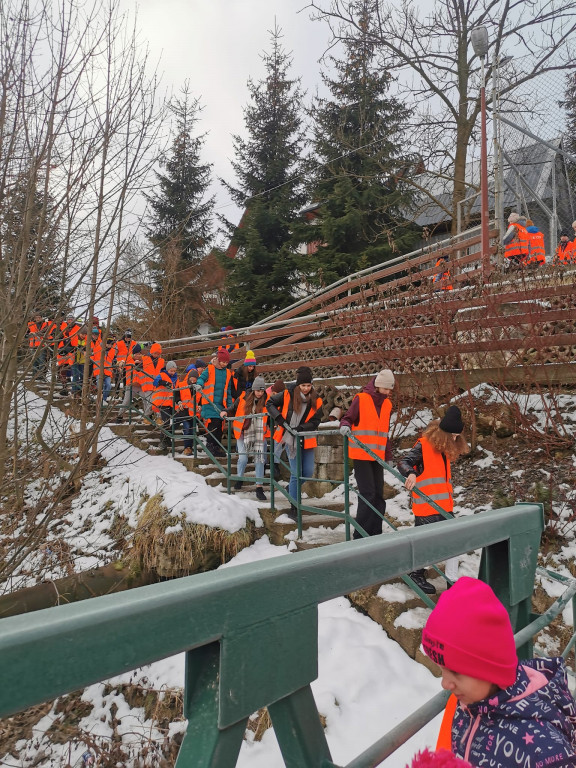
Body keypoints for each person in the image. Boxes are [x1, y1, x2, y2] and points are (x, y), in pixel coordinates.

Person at [422, 577, 576, 768]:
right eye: (441, 669)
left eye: (456, 672)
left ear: (490, 669)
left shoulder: (544, 752)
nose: (445, 683)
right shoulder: (470, 703)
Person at [397, 405, 469, 594]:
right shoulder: (424, 444)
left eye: (457, 436)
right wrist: (411, 473)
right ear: (444, 433)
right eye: (452, 436)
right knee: (427, 544)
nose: (455, 439)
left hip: (444, 505)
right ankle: (416, 573)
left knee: (455, 542)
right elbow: (403, 462)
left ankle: (451, 581)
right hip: (426, 505)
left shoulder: (445, 447)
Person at [340, 369, 395, 539]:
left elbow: (384, 433)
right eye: (386, 389)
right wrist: (344, 425)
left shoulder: (387, 404)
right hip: (361, 454)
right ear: (378, 386)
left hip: (377, 456)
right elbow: (348, 418)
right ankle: (360, 534)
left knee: (379, 494)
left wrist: (388, 455)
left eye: (390, 389)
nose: (388, 392)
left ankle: (375, 532)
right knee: (368, 493)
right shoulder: (361, 399)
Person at [266, 366, 323, 521]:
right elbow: (269, 403)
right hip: (291, 439)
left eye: (308, 385)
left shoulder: (316, 400)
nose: (305, 388)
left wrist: (301, 428)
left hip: (307, 437)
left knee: (308, 472)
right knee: (296, 474)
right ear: (298, 385)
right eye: (303, 385)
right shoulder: (287, 394)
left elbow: (316, 420)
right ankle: (294, 508)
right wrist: (280, 420)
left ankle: (291, 488)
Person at [228, 375, 269, 502]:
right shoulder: (243, 398)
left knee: (259, 460)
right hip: (243, 433)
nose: (260, 393)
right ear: (253, 390)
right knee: (243, 458)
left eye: (262, 391)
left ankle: (259, 487)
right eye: (258, 391)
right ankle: (240, 478)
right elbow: (232, 409)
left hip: (259, 434)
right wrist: (224, 411)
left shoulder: (268, 401)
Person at [196, 348, 234, 457]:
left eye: (227, 362)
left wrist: (229, 403)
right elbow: (202, 377)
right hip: (210, 403)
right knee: (214, 425)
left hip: (221, 404)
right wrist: (199, 384)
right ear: (218, 360)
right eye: (223, 362)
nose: (225, 364)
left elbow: (229, 389)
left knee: (219, 428)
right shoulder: (210, 368)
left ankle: (216, 447)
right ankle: (210, 445)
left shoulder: (227, 373)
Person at [151, 361, 179, 450]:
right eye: (171, 371)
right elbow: (155, 382)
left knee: (176, 421)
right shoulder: (162, 375)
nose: (173, 372)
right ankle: (163, 440)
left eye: (174, 371)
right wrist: (162, 382)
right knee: (166, 421)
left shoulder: (176, 378)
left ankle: (167, 438)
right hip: (162, 402)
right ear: (167, 369)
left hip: (171, 403)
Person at [114, 344, 147, 422]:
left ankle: (148, 417)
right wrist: (120, 364)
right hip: (131, 385)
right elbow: (120, 363)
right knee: (126, 402)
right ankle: (119, 416)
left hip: (141, 385)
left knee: (146, 401)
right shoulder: (129, 359)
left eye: (139, 353)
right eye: (136, 354)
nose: (138, 355)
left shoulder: (145, 360)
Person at [174, 365, 200, 456]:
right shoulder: (181, 385)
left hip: (194, 413)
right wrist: (179, 402)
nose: (192, 381)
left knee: (192, 430)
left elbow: (200, 400)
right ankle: (187, 447)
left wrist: (200, 406)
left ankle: (189, 447)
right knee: (187, 428)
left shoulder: (198, 388)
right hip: (184, 412)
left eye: (194, 379)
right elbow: (176, 396)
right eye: (191, 379)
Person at [266, 379, 286, 479]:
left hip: (277, 426)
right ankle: (273, 465)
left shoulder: (282, 399)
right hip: (269, 426)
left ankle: (274, 464)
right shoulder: (268, 398)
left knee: (278, 443)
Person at [141, 342, 165, 418]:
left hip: (156, 385)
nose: (156, 355)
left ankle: (150, 417)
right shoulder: (144, 359)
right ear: (151, 352)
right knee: (150, 403)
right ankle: (147, 416)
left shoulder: (161, 361)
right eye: (155, 353)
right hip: (147, 385)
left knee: (155, 403)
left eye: (158, 354)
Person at [27, 313, 48, 379]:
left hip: (42, 345)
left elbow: (46, 333)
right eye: (36, 317)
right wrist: (29, 335)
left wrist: (37, 334)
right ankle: (34, 375)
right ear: (34, 318)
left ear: (42, 318)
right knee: (34, 361)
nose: (38, 319)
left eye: (39, 317)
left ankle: (41, 376)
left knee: (42, 361)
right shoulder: (30, 324)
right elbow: (26, 334)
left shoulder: (45, 324)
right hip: (33, 345)